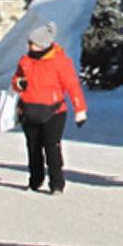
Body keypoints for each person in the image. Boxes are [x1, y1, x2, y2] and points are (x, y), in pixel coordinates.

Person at [12, 23, 86, 193]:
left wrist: (80, 110)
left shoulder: (60, 61)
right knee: (33, 147)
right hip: (29, 110)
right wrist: (18, 84)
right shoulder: (25, 61)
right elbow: (16, 80)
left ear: (43, 44)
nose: (30, 46)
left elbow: (72, 86)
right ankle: (35, 180)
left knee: (52, 147)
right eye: (29, 43)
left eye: (33, 43)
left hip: (54, 112)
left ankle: (57, 183)